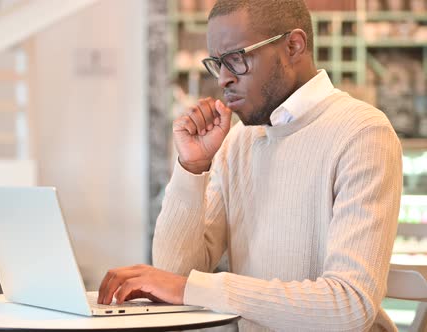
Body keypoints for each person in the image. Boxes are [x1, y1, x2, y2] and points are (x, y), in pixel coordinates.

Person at [97, 0, 403, 331]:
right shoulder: (239, 141)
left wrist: (191, 289)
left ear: (293, 46)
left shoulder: (362, 132)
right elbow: (176, 273)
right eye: (217, 63)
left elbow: (349, 304)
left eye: (236, 59)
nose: (224, 79)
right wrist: (191, 167)